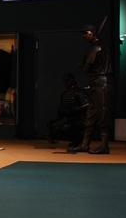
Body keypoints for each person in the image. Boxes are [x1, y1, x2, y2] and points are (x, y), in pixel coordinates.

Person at [69, 23, 114, 154]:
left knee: (103, 113)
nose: (84, 36)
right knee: (91, 114)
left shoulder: (97, 48)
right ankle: (85, 144)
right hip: (97, 83)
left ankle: (104, 145)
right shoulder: (97, 47)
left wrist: (82, 64)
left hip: (102, 83)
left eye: (86, 33)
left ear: (93, 33)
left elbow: (86, 67)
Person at [46, 73, 88, 146]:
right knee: (55, 131)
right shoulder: (64, 95)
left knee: (74, 127)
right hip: (71, 120)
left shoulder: (79, 92)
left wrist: (75, 110)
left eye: (67, 80)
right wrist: (51, 121)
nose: (66, 83)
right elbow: (62, 113)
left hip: (81, 120)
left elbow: (87, 104)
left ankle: (79, 140)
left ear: (72, 80)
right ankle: (76, 140)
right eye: (64, 81)